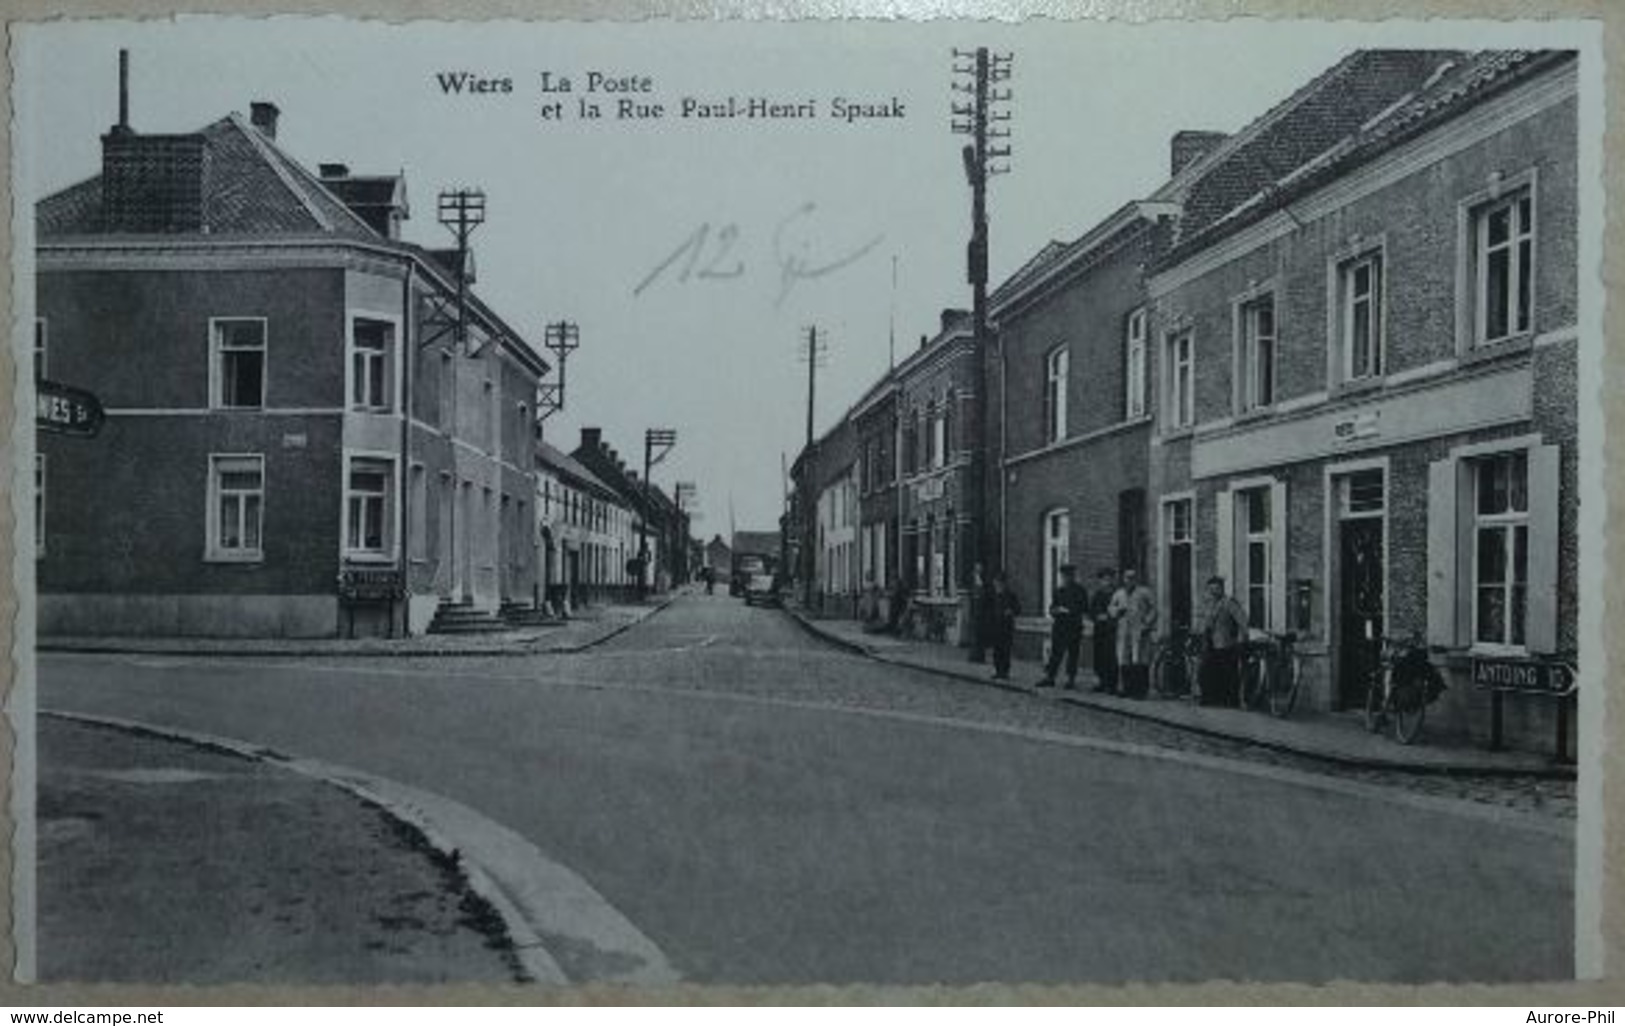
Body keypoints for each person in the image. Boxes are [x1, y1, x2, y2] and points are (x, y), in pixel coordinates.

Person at [1198, 575, 1248, 707]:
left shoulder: (1229, 603)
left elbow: (1242, 620)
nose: (1213, 592)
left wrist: (1242, 639)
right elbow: (1206, 622)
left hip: (1226, 643)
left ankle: (1230, 701)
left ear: (1222, 589)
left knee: (1228, 674)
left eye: (1216, 588)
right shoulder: (1210, 603)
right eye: (1211, 589)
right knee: (1207, 672)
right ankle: (1212, 699)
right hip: (1210, 642)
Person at [1037, 564, 1088, 689]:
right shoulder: (1059, 591)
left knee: (1073, 654)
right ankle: (1050, 677)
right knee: (1055, 653)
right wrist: (1055, 610)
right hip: (1059, 626)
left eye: (1068, 576)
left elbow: (1085, 608)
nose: (1065, 579)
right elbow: (1052, 607)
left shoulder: (1080, 591)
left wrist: (1070, 611)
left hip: (1074, 626)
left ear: (1072, 576)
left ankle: (1071, 679)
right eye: (1063, 576)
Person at [1110, 567, 1158, 698]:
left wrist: (1147, 623)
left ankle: (1140, 691)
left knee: (1140, 659)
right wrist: (1116, 612)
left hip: (1140, 630)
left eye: (1132, 578)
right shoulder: (1119, 593)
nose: (1129, 580)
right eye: (1127, 578)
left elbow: (1153, 609)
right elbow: (1111, 608)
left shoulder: (1144, 592)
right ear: (1123, 579)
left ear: (1136, 579)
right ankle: (1127, 688)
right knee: (1124, 659)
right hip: (1124, 629)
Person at [1089, 567, 1120, 694]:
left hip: (1112, 631)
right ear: (1101, 581)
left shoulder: (1117, 595)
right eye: (1105, 580)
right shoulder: (1097, 595)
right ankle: (1101, 682)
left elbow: (1121, 611)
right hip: (1100, 631)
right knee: (1099, 657)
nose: (1107, 582)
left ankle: (1112, 684)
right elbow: (1091, 611)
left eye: (1109, 579)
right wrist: (1097, 616)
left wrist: (1111, 617)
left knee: (1112, 658)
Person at [988, 571, 1021, 681]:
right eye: (996, 583)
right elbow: (988, 610)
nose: (998, 585)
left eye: (1000, 583)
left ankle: (1005, 671)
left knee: (1005, 650)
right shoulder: (993, 596)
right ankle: (998, 671)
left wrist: (1011, 611)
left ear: (1004, 583)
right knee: (997, 650)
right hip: (995, 626)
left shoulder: (1011, 596)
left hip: (1006, 626)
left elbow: (1018, 609)